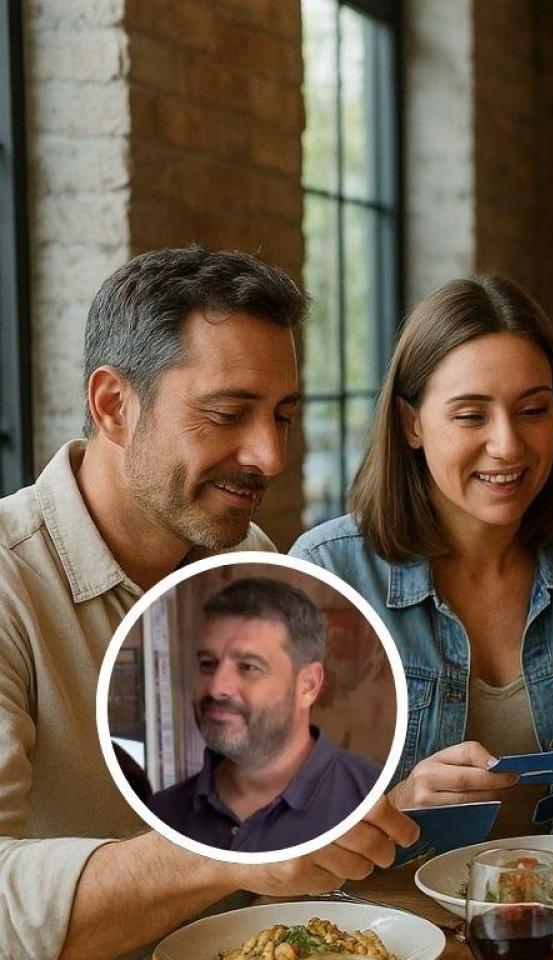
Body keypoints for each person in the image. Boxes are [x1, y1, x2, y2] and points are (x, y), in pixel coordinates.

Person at [0, 246, 417, 960]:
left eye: (282, 417)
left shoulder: (249, 556)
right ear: (113, 406)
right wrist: (227, 848)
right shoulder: (11, 582)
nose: (270, 457)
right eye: (228, 414)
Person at [291, 276, 553, 842]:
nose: (509, 445)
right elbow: (281, 826)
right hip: (386, 923)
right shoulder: (328, 575)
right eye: (471, 415)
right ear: (410, 423)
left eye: (533, 410)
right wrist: (395, 806)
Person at [147, 577, 382, 851]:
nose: (217, 687)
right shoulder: (162, 813)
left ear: (308, 685)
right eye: (207, 664)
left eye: (248, 667)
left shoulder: (372, 799)